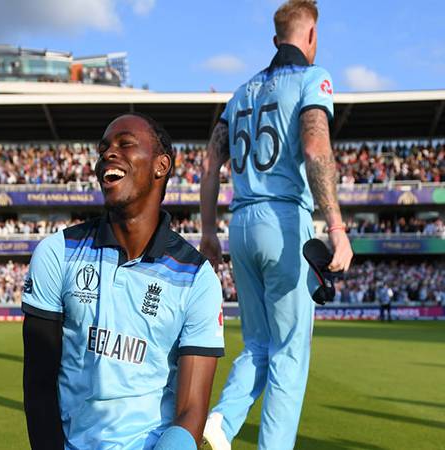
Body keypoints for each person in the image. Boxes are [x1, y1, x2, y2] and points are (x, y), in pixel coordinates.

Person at [199, 1, 353, 448]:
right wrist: (337, 229)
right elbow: (315, 149)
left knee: (258, 345)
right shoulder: (312, 77)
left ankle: (223, 421)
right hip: (285, 221)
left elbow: (211, 166)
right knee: (289, 354)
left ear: (275, 39)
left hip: (241, 224)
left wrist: (208, 232)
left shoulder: (241, 92)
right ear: (311, 37)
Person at [22, 113, 225, 450]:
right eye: (103, 149)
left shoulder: (197, 278)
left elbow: (191, 410)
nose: (108, 155)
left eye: (125, 144)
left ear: (161, 166)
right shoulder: (57, 252)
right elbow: (39, 385)